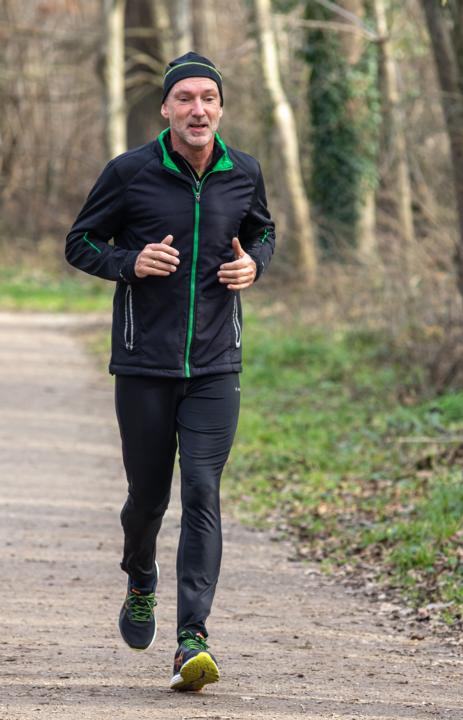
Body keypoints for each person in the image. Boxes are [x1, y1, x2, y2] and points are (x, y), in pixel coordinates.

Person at [65, 51, 275, 692]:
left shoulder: (244, 172)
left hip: (216, 364)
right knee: (148, 499)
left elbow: (262, 233)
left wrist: (254, 265)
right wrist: (129, 262)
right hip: (144, 365)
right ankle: (140, 578)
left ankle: (192, 639)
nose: (197, 109)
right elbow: (81, 243)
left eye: (208, 98)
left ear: (221, 108)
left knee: (203, 490)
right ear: (166, 108)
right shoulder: (129, 173)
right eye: (185, 98)